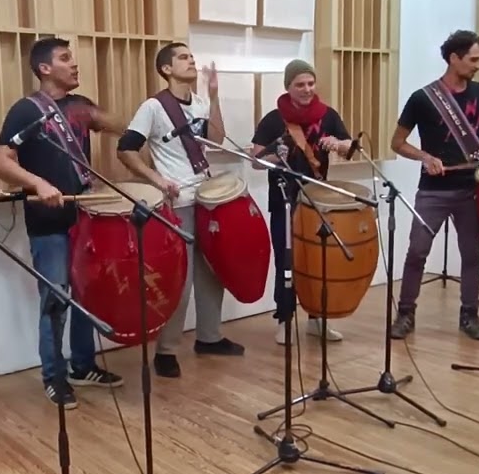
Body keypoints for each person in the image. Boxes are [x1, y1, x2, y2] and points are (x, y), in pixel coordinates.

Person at [0, 37, 126, 408]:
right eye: (65, 59)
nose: (75, 64)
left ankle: (83, 365)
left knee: (87, 293)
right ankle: (54, 375)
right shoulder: (26, 110)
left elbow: (120, 127)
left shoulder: (80, 106)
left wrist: (120, 121)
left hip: (85, 217)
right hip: (49, 221)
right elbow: (1, 161)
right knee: (56, 299)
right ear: (45, 69)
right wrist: (38, 183)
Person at [116, 42, 245, 377]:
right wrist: (156, 179)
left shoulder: (199, 103)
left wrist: (214, 96)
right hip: (178, 204)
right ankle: (166, 350)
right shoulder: (154, 108)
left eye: (192, 56)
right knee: (181, 279)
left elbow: (217, 139)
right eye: (183, 57)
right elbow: (126, 149)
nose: (192, 61)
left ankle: (209, 337)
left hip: (206, 198)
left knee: (212, 271)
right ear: (166, 69)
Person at [389, 30, 479, 341]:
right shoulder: (423, 98)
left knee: (471, 253)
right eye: (473, 59)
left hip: (472, 188)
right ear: (454, 58)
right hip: (433, 190)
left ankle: (469, 315)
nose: (478, 65)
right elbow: (396, 143)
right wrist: (424, 156)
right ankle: (405, 313)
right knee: (417, 252)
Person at [251, 59, 355, 345]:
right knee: (287, 261)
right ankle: (284, 320)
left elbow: (350, 149)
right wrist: (276, 152)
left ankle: (317, 319)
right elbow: (256, 161)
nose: (307, 89)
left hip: (317, 200)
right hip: (284, 199)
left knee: (318, 261)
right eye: (300, 84)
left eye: (310, 83)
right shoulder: (274, 119)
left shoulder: (328, 115)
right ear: (288, 86)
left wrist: (339, 144)